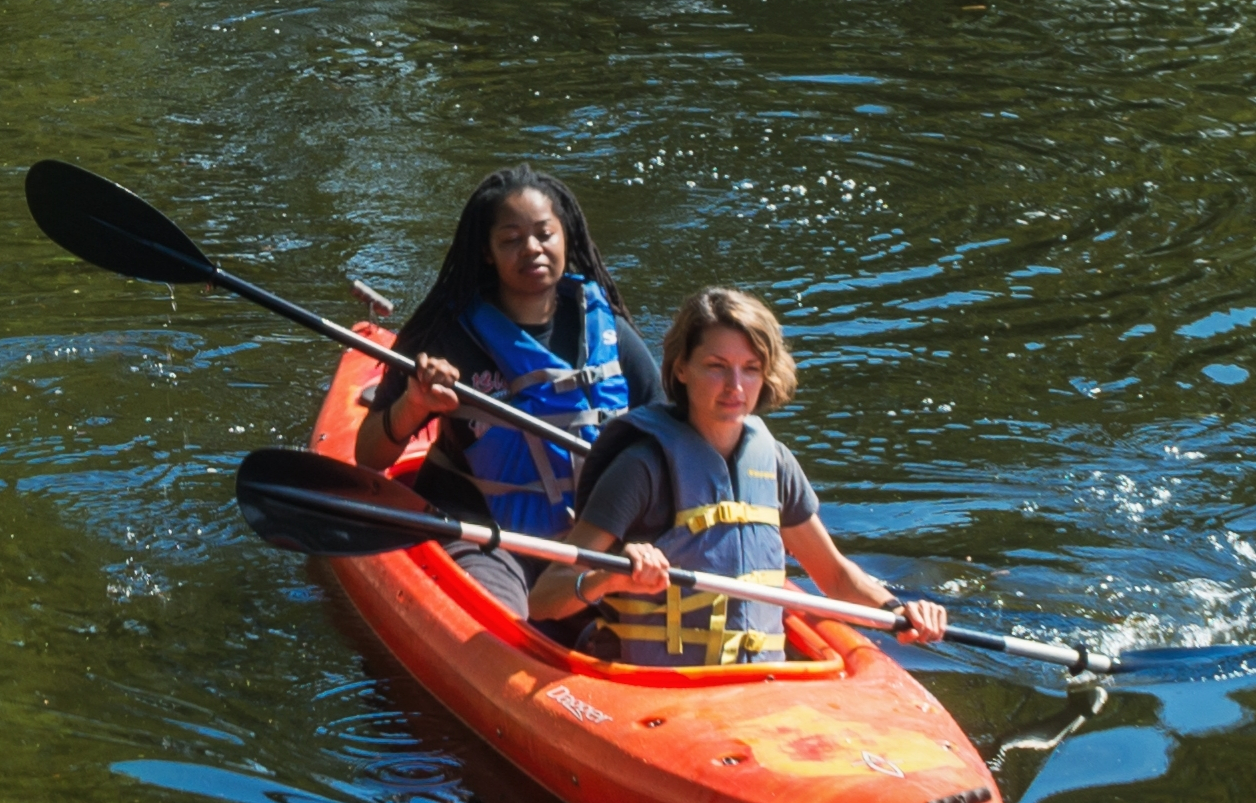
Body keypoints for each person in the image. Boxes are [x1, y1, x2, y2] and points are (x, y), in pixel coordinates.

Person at [522, 286, 947, 663]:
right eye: (716, 366)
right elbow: (544, 600)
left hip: (759, 688)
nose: (735, 387)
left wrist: (897, 609)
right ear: (682, 369)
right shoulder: (640, 469)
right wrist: (611, 576)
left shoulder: (774, 463)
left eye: (750, 368)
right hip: (656, 687)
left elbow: (834, 575)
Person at [357, 169, 659, 553]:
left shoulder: (608, 332)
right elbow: (368, 456)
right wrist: (414, 405)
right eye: (512, 239)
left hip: (593, 538)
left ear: (566, 236)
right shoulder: (448, 338)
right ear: (487, 252)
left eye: (545, 234)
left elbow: (669, 435)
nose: (532, 248)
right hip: (479, 535)